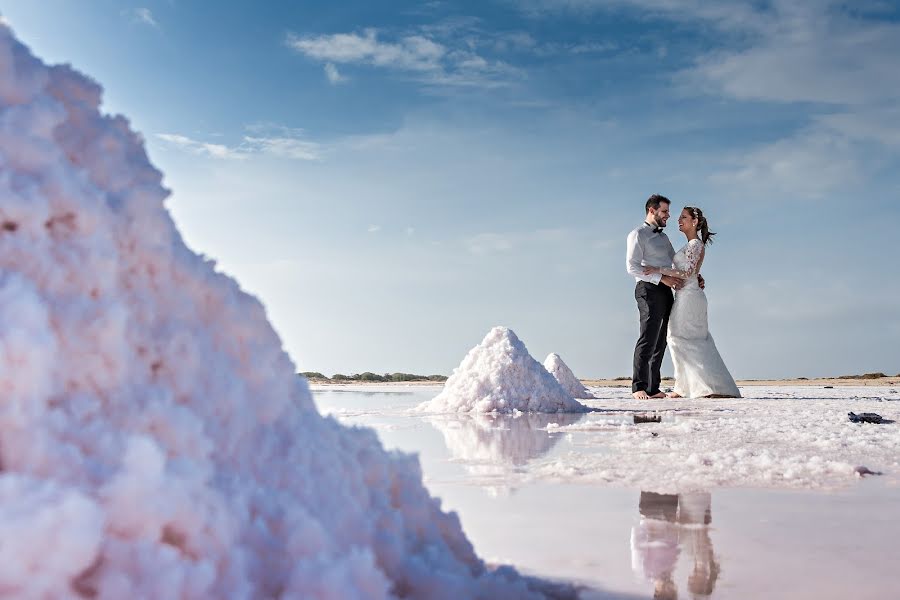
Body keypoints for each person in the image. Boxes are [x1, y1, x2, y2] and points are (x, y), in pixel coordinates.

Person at [643, 207, 740, 398]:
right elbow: (692, 272)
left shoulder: (695, 244)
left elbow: (687, 273)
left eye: (683, 217)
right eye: (679, 217)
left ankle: (705, 386)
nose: (679, 220)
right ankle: (685, 386)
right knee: (684, 338)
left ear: (695, 222)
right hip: (686, 294)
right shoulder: (690, 245)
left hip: (689, 297)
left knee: (681, 338)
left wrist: (657, 269)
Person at [626, 195, 693, 400]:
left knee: (661, 339)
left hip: (666, 290)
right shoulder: (637, 234)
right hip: (648, 288)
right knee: (648, 337)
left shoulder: (664, 238)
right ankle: (639, 386)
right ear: (652, 210)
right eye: (664, 211)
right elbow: (632, 267)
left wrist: (694, 278)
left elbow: (676, 264)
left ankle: (653, 388)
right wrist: (661, 278)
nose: (668, 216)